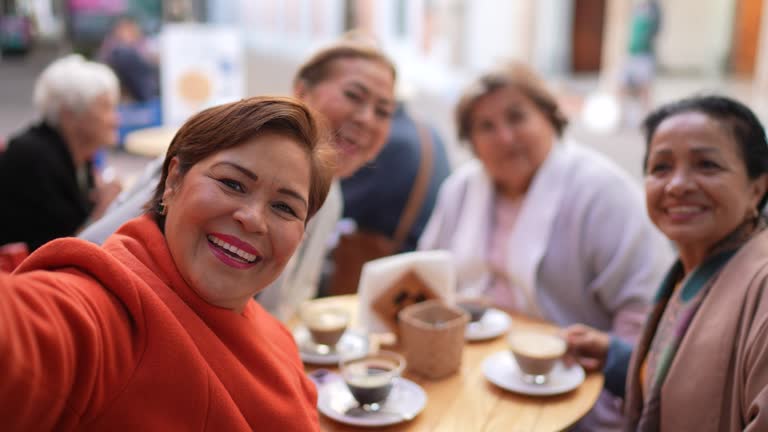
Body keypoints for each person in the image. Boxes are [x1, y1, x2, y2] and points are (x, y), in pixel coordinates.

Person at [0, 96, 335, 430]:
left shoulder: (277, 336)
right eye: (232, 184)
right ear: (173, 182)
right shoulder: (109, 308)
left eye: (285, 208)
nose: (252, 219)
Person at [417, 62, 673, 431]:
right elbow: (432, 278)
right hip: (470, 372)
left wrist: (613, 379)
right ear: (471, 143)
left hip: (572, 384)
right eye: (485, 127)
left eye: (516, 117)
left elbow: (641, 311)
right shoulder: (460, 189)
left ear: (550, 118)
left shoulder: (603, 192)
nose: (504, 137)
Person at [80, 35, 397, 321]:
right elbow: (92, 250)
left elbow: (286, 305)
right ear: (302, 90)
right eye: (354, 95)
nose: (366, 119)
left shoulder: (332, 196)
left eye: (383, 111)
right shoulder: (230, 148)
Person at [564, 95, 768, 431]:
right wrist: (617, 359)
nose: (677, 185)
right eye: (661, 167)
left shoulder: (760, 283)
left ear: (757, 189)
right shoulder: (695, 271)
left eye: (707, 165)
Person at [0, 54, 123, 251]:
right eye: (106, 108)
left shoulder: (78, 155)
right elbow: (58, 252)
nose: (116, 120)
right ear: (70, 115)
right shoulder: (34, 159)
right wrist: (104, 209)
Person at [340, 101, 451, 252]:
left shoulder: (394, 139)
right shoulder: (429, 132)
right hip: (414, 257)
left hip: (383, 258)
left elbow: (339, 204)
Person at [97, 15, 159, 102]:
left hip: (142, 93)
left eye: (128, 28)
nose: (125, 31)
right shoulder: (111, 45)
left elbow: (150, 62)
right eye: (122, 28)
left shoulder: (143, 44)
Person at [621, 0, 662, 124]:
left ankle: (646, 118)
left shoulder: (654, 8)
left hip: (645, 55)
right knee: (623, 86)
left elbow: (656, 30)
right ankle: (624, 116)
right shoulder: (637, 7)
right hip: (632, 53)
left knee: (645, 89)